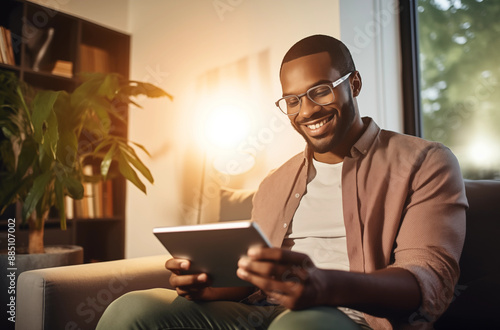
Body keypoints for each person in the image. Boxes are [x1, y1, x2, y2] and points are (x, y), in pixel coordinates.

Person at [97, 34, 467, 330]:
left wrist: (324, 286)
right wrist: (208, 286)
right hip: (264, 312)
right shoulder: (276, 182)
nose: (306, 111)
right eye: (291, 100)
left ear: (353, 84)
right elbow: (256, 281)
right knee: (130, 310)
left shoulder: (425, 162)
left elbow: (429, 281)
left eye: (320, 91)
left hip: (354, 318)